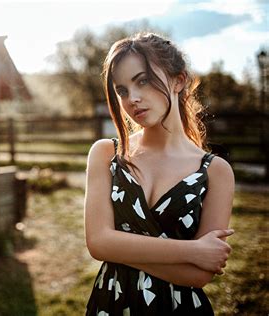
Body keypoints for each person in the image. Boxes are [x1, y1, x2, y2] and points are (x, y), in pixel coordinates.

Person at [84, 32, 235, 315]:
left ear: (178, 80)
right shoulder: (106, 154)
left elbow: (200, 275)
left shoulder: (215, 171)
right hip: (111, 305)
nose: (132, 99)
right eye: (122, 90)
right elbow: (98, 242)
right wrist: (193, 251)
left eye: (142, 81)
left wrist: (120, 249)